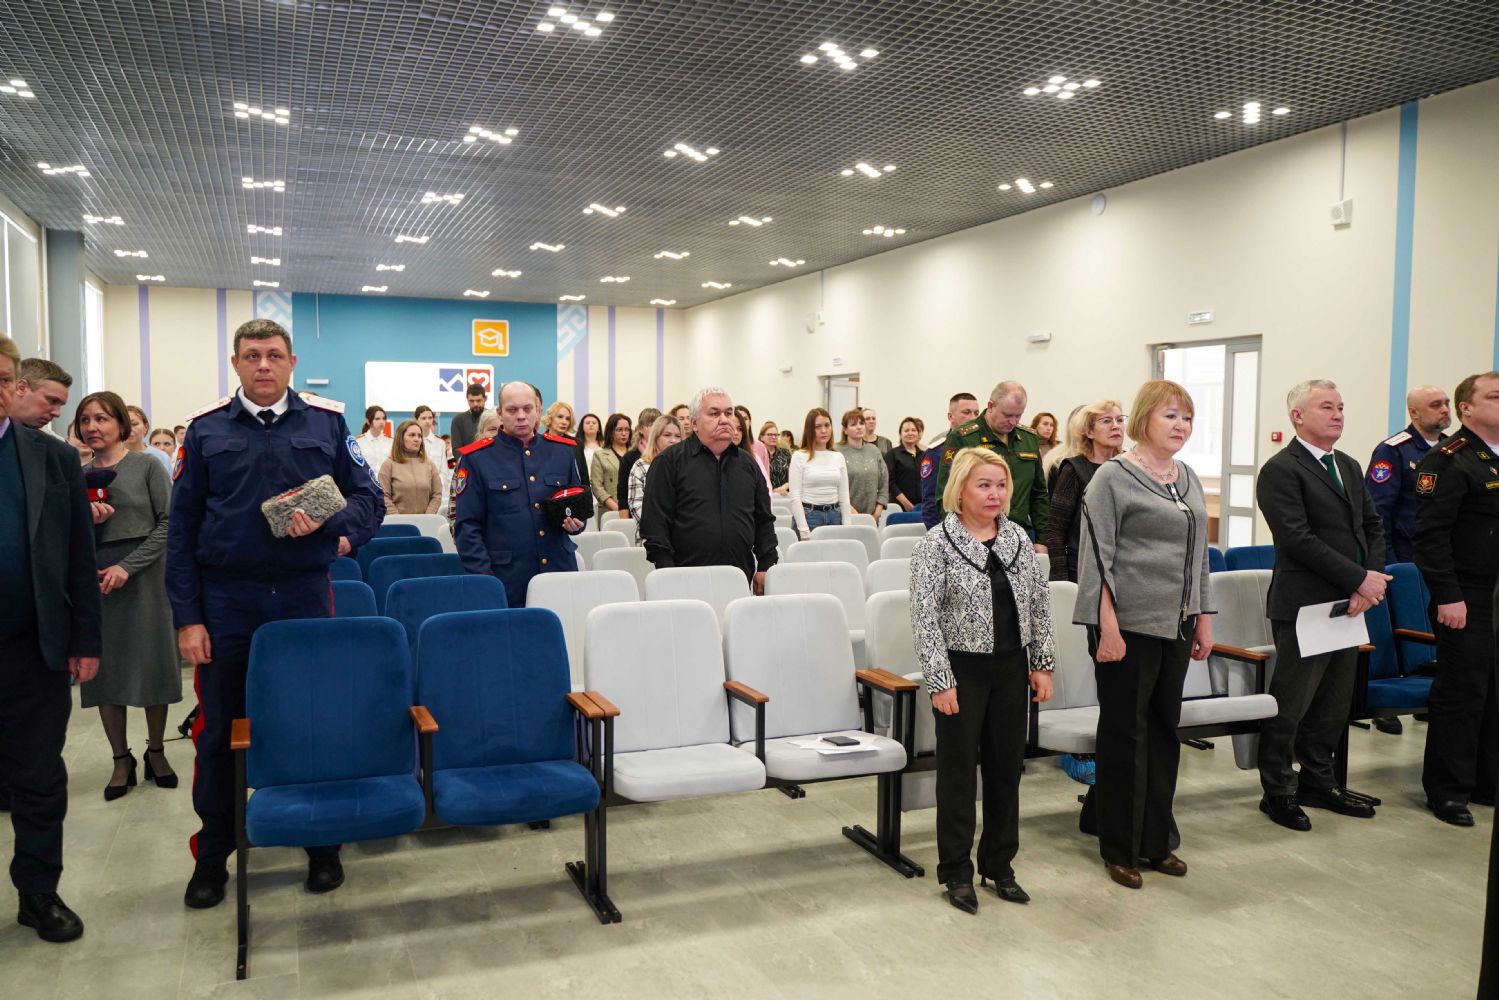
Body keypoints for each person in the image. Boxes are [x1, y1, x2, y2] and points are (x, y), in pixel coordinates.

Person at [167, 318, 383, 909]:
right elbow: (181, 531)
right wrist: (188, 618)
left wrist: (335, 527)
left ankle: (320, 842)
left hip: (302, 596)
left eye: (274, 355)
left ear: (292, 363)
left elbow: (370, 498)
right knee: (218, 732)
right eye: (251, 355)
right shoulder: (206, 430)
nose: (263, 365)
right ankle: (214, 852)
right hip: (226, 601)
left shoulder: (327, 424)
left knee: (310, 721)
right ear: (235, 364)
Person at [1076, 380, 1214, 889]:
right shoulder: (1112, 477)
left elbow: (1199, 556)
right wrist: (1106, 627)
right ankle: (1120, 846)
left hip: (1175, 624)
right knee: (1124, 737)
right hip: (1126, 626)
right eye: (1170, 416)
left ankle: (1157, 840)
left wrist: (1203, 615)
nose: (1181, 426)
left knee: (1163, 733)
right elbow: (1097, 559)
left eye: (1187, 417)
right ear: (1143, 420)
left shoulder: (1187, 476)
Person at [910, 448, 1055, 914]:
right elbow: (925, 618)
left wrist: (1042, 663)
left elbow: (1039, 605)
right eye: (984, 485)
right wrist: (940, 680)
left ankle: (999, 864)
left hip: (1012, 667)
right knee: (957, 774)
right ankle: (956, 870)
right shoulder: (936, 544)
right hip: (961, 671)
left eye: (1001, 485)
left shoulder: (1017, 538)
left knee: (1005, 770)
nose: (995, 494)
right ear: (960, 489)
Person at [0, 334, 101, 943]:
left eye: (2, 379)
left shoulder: (52, 458)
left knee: (39, 778)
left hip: (31, 648)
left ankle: (38, 893)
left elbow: (77, 557)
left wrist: (86, 639)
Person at [1255, 379, 1388, 832]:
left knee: (1333, 703)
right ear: (1297, 416)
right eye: (1327, 407)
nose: (1338, 415)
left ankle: (1318, 780)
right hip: (1305, 605)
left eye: (1341, 407)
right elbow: (1297, 538)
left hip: (1349, 605)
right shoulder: (1281, 469)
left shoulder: (1347, 464)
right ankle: (1277, 790)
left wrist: (1368, 583)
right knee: (1291, 704)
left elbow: (1372, 526)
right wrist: (1359, 578)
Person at [74, 390, 183, 800]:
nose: (92, 427)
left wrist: (128, 566)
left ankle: (157, 752)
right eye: (85, 420)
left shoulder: (147, 466)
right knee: (106, 673)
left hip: (147, 576)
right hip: (98, 578)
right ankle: (121, 759)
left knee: (154, 666)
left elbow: (169, 524)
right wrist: (86, 525)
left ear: (121, 424)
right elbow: (65, 536)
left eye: (102, 418)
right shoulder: (77, 475)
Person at [1414, 371, 1499, 828]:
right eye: (1495, 397)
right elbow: (1430, 536)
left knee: (1494, 692)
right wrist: (1448, 595)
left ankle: (1488, 781)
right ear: (1467, 408)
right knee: (1462, 691)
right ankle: (1448, 790)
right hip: (1467, 593)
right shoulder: (1449, 459)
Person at [454, 382, 585, 607]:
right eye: (512, 410)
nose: (521, 416)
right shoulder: (476, 458)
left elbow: (577, 509)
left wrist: (577, 524)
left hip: (559, 571)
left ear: (538, 411)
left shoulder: (562, 451)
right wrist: (485, 578)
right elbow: (467, 528)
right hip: (506, 578)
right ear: (499, 413)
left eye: (527, 408)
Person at [641, 387, 778, 591]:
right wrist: (668, 573)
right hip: (683, 578)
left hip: (738, 577)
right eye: (714, 413)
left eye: (728, 413)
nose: (724, 420)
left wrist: (766, 564)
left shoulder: (748, 464)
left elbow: (763, 520)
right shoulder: (668, 462)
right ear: (694, 423)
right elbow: (655, 525)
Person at [936, 381, 1049, 545]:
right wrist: (958, 541)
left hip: (1020, 535)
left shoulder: (1029, 438)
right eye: (1007, 415)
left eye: (1018, 416)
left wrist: (1042, 540)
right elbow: (946, 495)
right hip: (975, 538)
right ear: (990, 406)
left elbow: (1039, 494)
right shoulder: (963, 437)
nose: (1013, 422)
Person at [1368, 384, 1452, 565]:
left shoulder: (1453, 448)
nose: (1445, 410)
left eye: (1447, 403)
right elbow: (1378, 512)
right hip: (1408, 554)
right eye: (1436, 405)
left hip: (1448, 553)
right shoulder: (1393, 450)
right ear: (1414, 412)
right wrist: (1390, 562)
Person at [1044, 401, 1126, 582]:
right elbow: (1055, 532)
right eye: (1106, 421)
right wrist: (1061, 581)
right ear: (1089, 432)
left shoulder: (1129, 468)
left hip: (1122, 571)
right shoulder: (1074, 470)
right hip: (1081, 571)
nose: (1116, 426)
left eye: (1120, 420)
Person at [788, 408, 852, 540]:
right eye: (818, 427)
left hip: (835, 516)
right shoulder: (799, 456)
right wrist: (804, 532)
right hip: (809, 516)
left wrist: (847, 527)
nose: (824, 430)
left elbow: (844, 497)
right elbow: (795, 498)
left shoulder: (838, 456)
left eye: (827, 425)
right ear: (810, 430)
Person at [922, 393, 981, 528]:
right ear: (950, 417)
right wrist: (940, 534)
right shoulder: (937, 450)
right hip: (951, 526)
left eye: (976, 413)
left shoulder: (985, 447)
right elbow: (930, 500)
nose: (973, 418)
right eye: (966, 412)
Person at [628, 415, 684, 537]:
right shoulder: (641, 466)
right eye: (667, 435)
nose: (673, 440)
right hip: (652, 538)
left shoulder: (688, 466)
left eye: (678, 436)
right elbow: (637, 508)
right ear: (655, 438)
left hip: (684, 536)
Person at [445, 409, 499, 534]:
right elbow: (455, 510)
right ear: (481, 432)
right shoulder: (468, 460)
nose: (497, 434)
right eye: (492, 429)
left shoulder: (519, 459)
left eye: (502, 429)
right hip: (478, 539)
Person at [379, 419, 444, 515]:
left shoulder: (429, 464)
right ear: (401, 438)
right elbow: (384, 496)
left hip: (426, 521)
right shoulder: (388, 465)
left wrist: (428, 517)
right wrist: (397, 518)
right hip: (397, 521)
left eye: (419, 436)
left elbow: (437, 495)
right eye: (412, 435)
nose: (417, 439)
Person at [837, 408, 888, 522]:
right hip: (845, 516)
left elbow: (884, 483)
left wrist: (877, 512)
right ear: (845, 430)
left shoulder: (874, 450)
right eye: (853, 424)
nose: (859, 427)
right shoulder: (837, 451)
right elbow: (834, 487)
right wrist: (855, 515)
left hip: (872, 517)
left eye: (861, 423)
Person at [615, 407, 662, 516]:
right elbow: (623, 495)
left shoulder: (667, 454)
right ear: (640, 429)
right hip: (636, 516)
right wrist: (625, 522)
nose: (656, 428)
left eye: (658, 425)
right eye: (651, 425)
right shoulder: (630, 458)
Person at [591, 412, 632, 522]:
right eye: (619, 430)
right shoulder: (600, 454)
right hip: (609, 511)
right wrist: (618, 508)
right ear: (611, 431)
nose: (624, 433)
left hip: (635, 509)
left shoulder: (636, 453)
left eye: (627, 429)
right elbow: (597, 486)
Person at [13, 358, 73, 431]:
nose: (57, 413)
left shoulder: (48, 438)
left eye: (60, 405)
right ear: (21, 388)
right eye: (53, 401)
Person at [886, 416, 925, 513]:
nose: (910, 433)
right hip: (899, 507)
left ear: (918, 433)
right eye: (906, 430)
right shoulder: (892, 454)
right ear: (900, 434)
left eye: (913, 430)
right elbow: (890, 483)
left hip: (922, 506)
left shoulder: (924, 455)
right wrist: (906, 504)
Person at [733, 409, 772, 496]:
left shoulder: (753, 457)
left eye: (740, 429)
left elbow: (766, 488)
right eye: (732, 428)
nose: (736, 433)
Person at [126, 404, 173, 474]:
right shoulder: (111, 456)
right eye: (124, 424)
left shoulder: (161, 457)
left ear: (146, 427)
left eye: (134, 424)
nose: (129, 429)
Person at [413, 404, 451, 489]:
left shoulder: (440, 443)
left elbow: (444, 471)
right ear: (416, 420)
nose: (427, 421)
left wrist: (438, 487)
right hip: (414, 487)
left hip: (435, 488)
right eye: (423, 418)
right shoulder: (410, 442)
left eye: (430, 418)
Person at [448, 382, 489, 452]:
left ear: (485, 399)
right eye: (471, 401)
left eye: (478, 400)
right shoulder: (458, 420)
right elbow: (456, 450)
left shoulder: (494, 418)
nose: (475, 404)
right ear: (467, 399)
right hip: (466, 459)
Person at [356, 404, 392, 469]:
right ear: (368, 421)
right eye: (377, 419)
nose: (381, 422)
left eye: (384, 418)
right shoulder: (358, 442)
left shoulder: (391, 442)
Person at [762, 422, 790, 493]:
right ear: (762, 437)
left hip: (784, 494)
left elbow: (795, 475)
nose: (774, 437)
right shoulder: (758, 455)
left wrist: (786, 485)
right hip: (764, 495)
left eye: (776, 434)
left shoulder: (785, 453)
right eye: (770, 434)